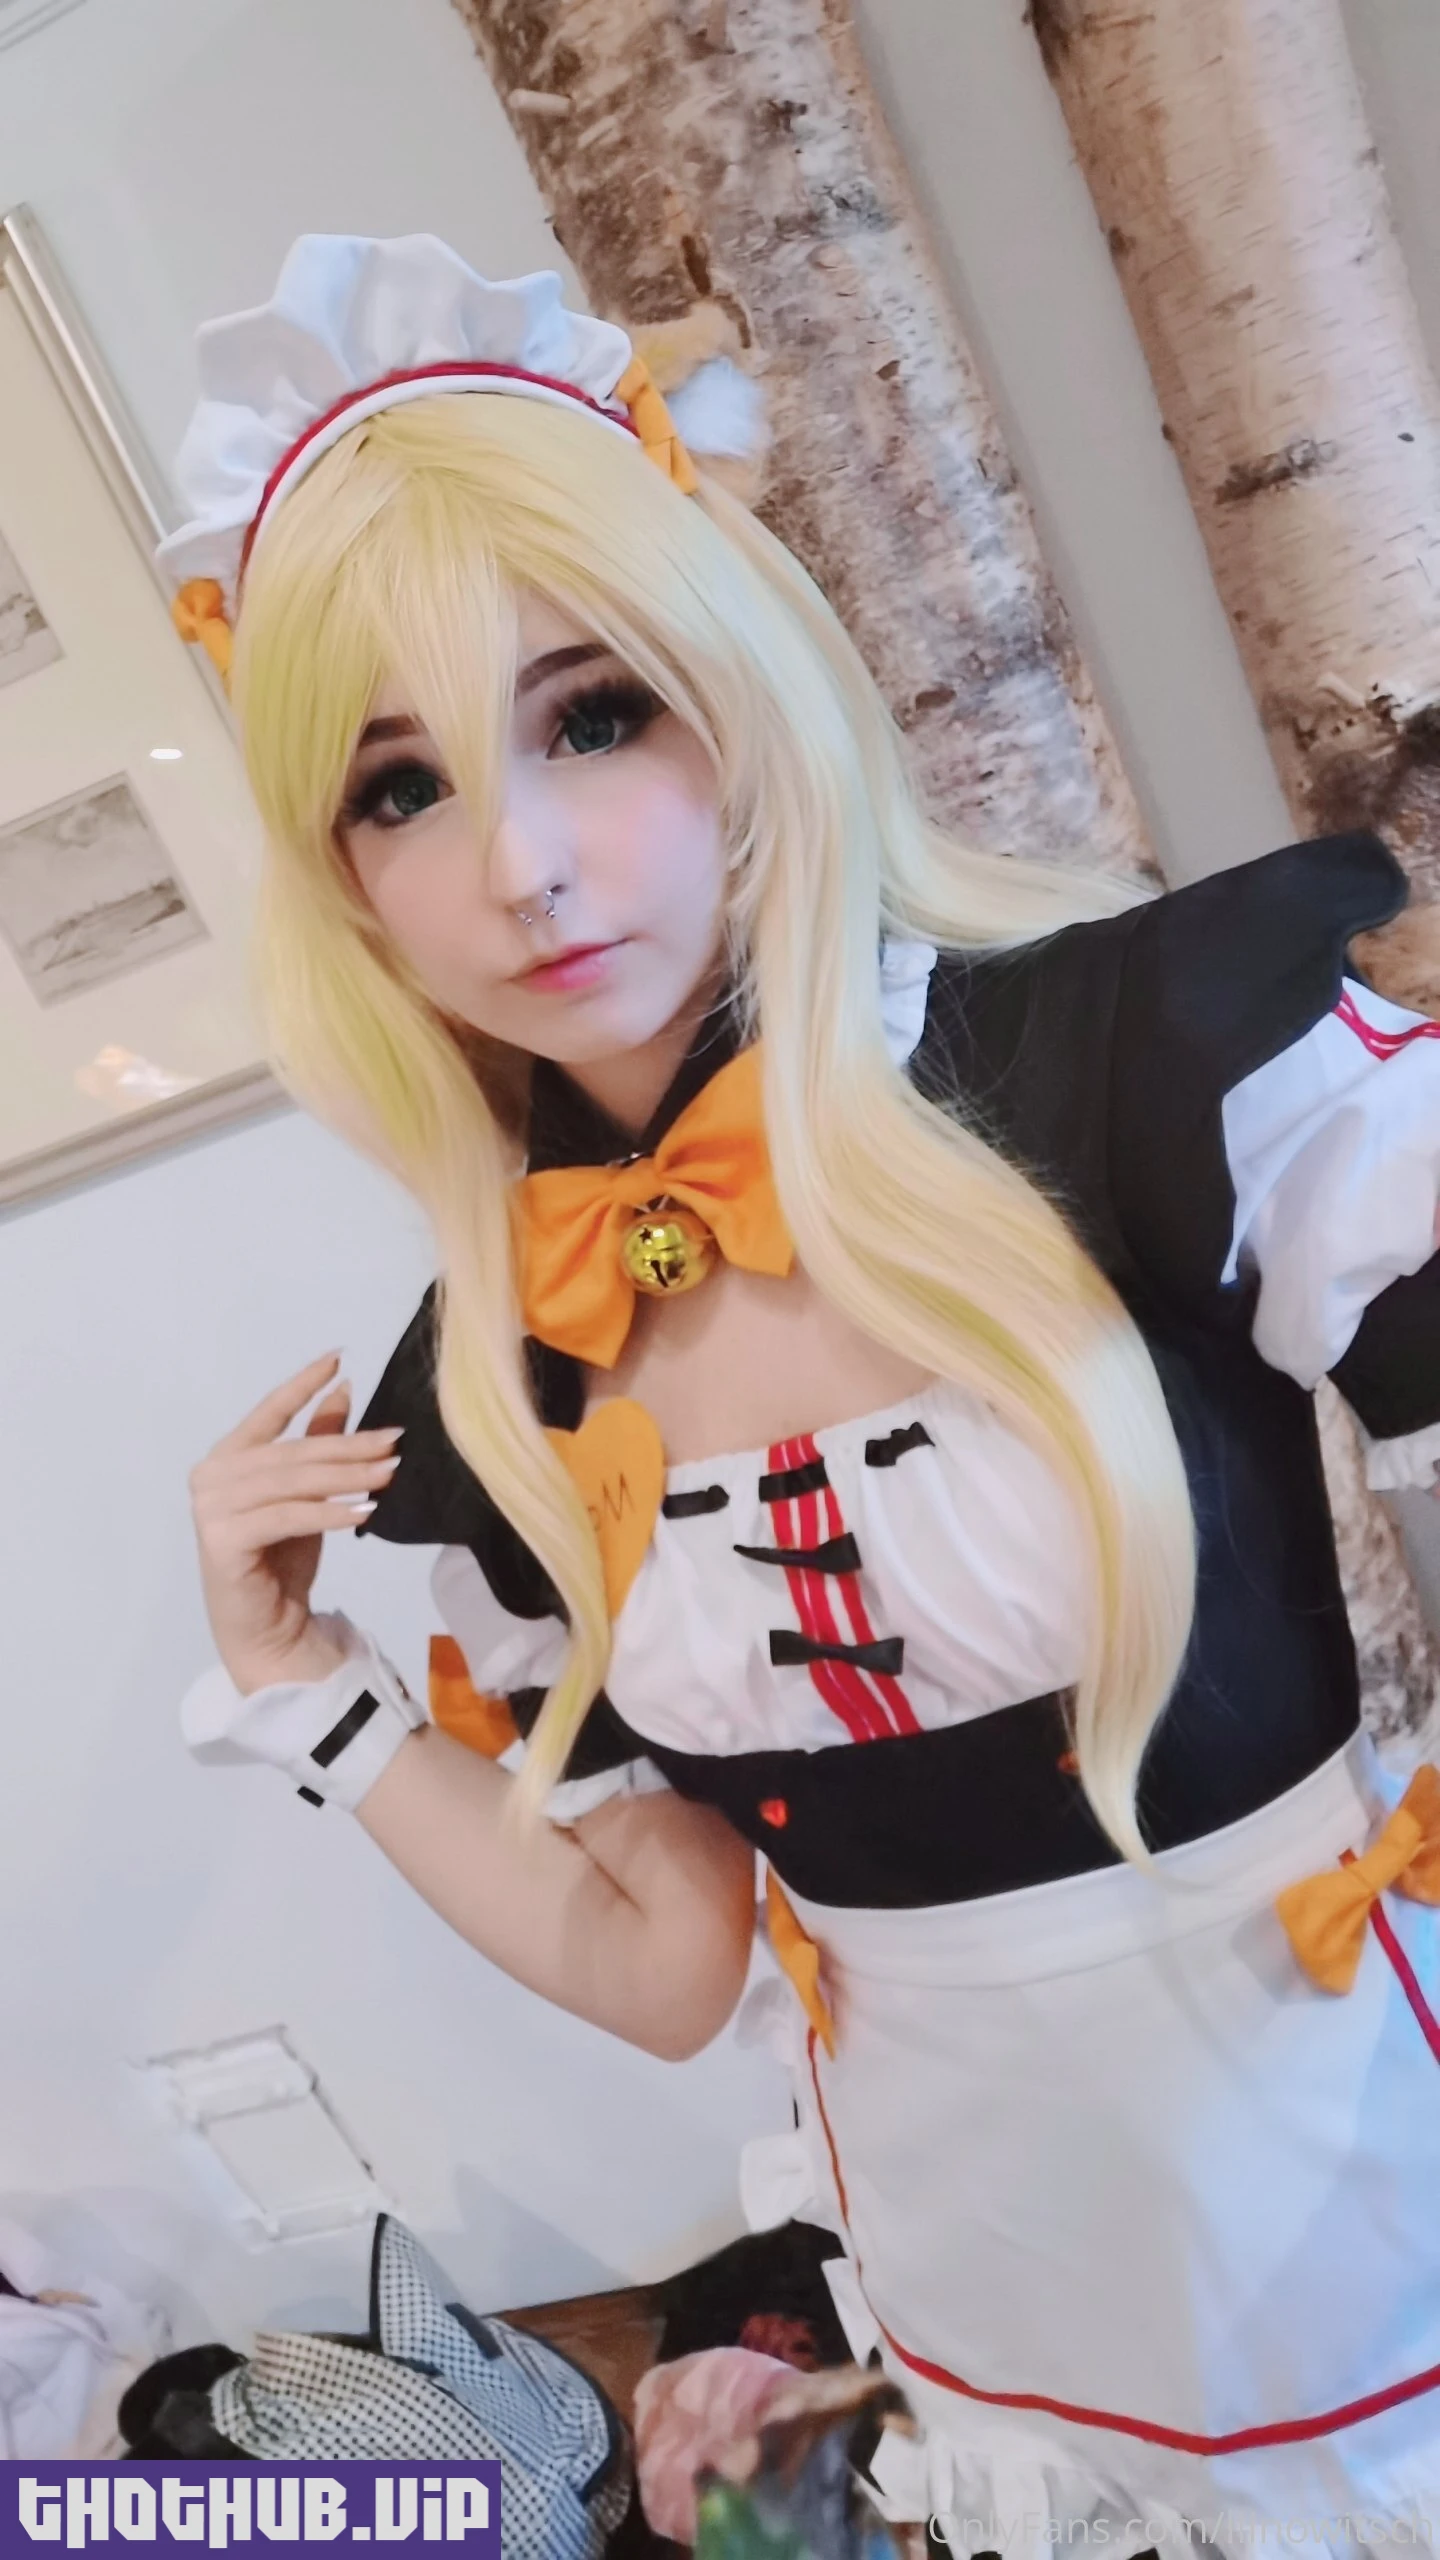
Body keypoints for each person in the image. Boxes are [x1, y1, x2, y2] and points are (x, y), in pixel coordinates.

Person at [169, 236, 1440, 2549]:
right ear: (342, 885)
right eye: (401, 787)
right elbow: (666, 1966)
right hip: (985, 2275)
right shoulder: (495, 1378)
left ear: (734, 689)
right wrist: (307, 1687)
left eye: (590, 715)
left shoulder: (1142, 1060)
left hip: (1352, 2197)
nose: (521, 863)